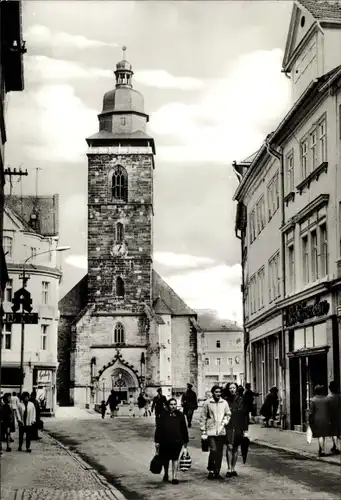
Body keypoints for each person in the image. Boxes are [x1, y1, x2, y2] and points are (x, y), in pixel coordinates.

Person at [154, 397, 189, 485]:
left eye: (174, 404)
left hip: (177, 441)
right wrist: (157, 441)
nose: (173, 406)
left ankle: (174, 477)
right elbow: (159, 428)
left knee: (175, 458)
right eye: (171, 404)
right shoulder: (163, 415)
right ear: (168, 405)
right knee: (166, 459)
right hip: (165, 441)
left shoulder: (180, 415)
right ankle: (166, 474)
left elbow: (184, 428)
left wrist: (185, 442)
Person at [200, 385, 231, 480]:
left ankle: (217, 471)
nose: (218, 393)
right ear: (213, 392)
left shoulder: (224, 402)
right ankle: (211, 470)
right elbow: (203, 417)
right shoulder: (207, 403)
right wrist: (203, 430)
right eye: (216, 392)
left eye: (219, 392)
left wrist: (225, 421)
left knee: (220, 452)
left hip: (221, 431)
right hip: (211, 431)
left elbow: (228, 414)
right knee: (213, 450)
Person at [223, 382, 248, 477]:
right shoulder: (225, 400)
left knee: (236, 447)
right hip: (228, 426)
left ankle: (233, 468)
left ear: (236, 389)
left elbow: (244, 415)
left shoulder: (241, 400)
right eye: (230, 388)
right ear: (228, 389)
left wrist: (245, 430)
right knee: (229, 446)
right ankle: (229, 468)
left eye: (234, 388)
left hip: (238, 426)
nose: (232, 389)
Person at [309, 385, 329, 457]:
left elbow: (311, 412)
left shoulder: (313, 400)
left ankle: (322, 451)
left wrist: (310, 420)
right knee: (322, 435)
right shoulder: (326, 399)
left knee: (319, 435)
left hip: (317, 419)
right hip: (326, 419)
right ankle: (320, 449)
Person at [326, 381, 341, 455]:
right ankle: (334, 446)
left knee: (334, 433)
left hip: (331, 417)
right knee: (337, 433)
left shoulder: (328, 397)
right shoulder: (339, 396)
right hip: (339, 416)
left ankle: (337, 447)